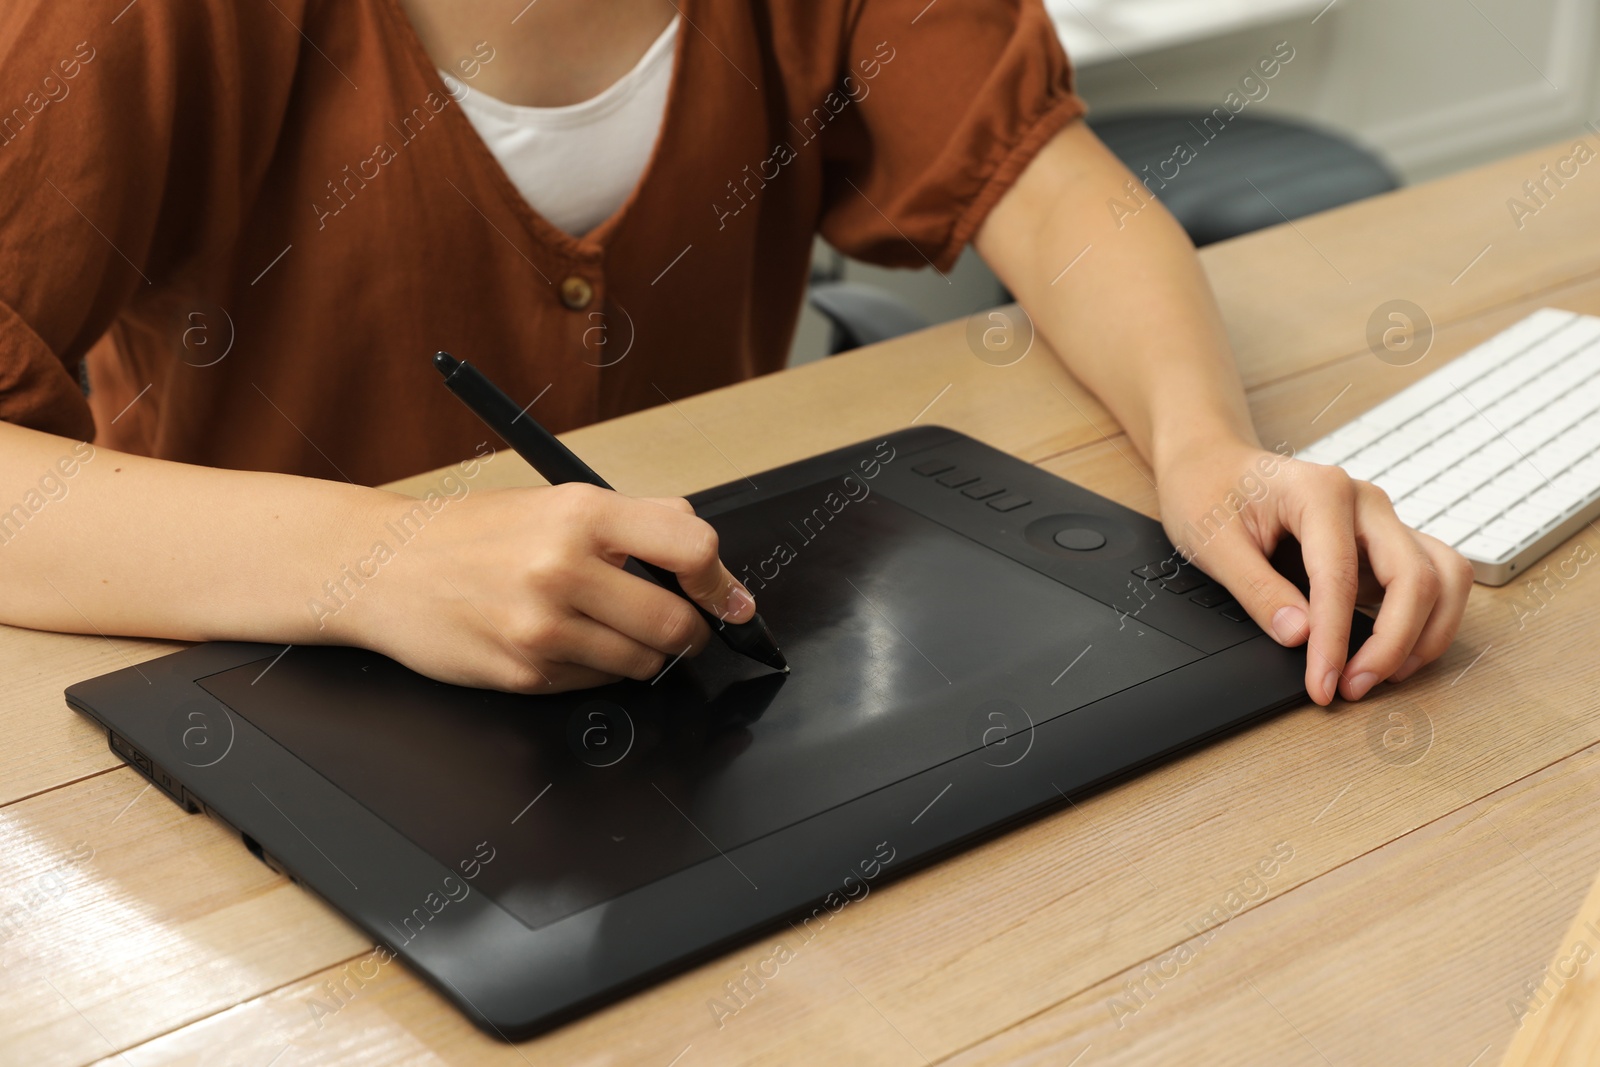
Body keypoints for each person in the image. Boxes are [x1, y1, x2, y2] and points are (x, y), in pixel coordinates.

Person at [0, 0, 1471, 702]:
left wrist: (1207, 452)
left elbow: (1052, 183)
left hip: (704, 660)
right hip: (271, 671)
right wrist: (380, 564)